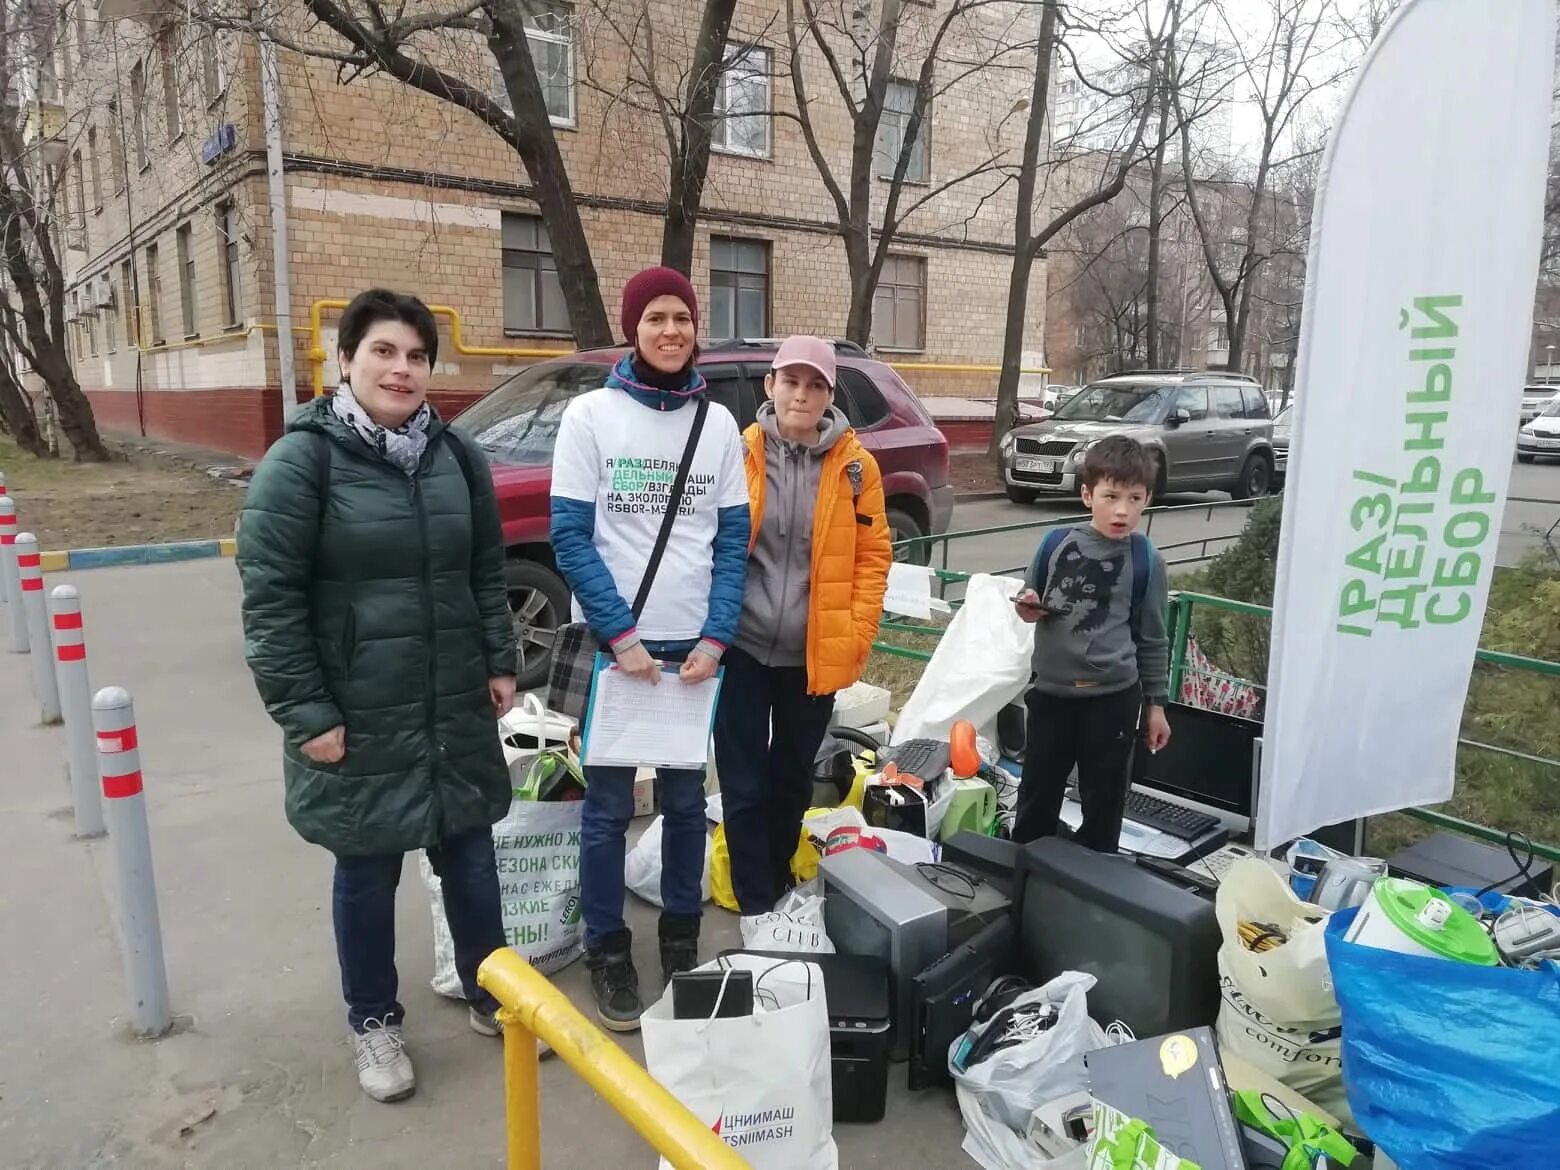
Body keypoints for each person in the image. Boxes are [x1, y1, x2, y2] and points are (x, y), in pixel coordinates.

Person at [236, 289, 517, 1104]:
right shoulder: (304, 462)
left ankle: (495, 993)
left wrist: (499, 662)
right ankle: (373, 1022)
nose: (402, 369)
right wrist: (307, 713)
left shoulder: (456, 458)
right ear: (345, 360)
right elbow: (271, 599)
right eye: (385, 352)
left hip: (451, 701)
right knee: (367, 869)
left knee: (470, 855)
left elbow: (486, 571)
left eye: (417, 356)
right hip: (359, 713)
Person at [549, 266, 750, 1031]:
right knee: (603, 813)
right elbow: (570, 535)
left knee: (683, 804)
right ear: (632, 328)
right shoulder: (591, 418)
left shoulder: (719, 425)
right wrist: (621, 635)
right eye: (656, 318)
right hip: (617, 650)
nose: (671, 330)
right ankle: (607, 947)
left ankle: (678, 938)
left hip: (693, 653)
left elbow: (732, 541)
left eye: (683, 318)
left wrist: (718, 634)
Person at [713, 337, 892, 914]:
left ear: (829, 395)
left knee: (791, 779)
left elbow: (873, 556)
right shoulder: (736, 454)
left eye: (815, 384)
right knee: (741, 783)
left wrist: (856, 631)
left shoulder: (858, 469)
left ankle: (777, 874)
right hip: (739, 648)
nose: (801, 394)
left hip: (812, 658)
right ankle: (755, 902)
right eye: (791, 381)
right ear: (770, 386)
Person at [1012, 434, 1172, 853]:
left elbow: (1153, 638)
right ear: (1087, 494)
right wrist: (1028, 607)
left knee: (1104, 806)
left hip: (1113, 702)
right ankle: (1026, 884)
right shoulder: (1054, 543)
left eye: (1135, 498)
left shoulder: (1146, 560)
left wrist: (1156, 707)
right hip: (1051, 697)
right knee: (1035, 801)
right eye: (1111, 496)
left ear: (1147, 499)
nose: (1122, 510)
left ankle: (1092, 896)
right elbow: (1031, 599)